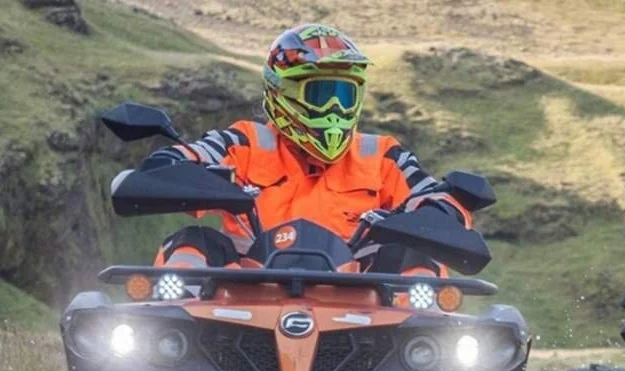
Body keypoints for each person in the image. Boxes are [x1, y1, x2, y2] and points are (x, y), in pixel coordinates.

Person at [118, 24, 470, 276]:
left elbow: (433, 193)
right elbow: (195, 156)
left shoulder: (380, 155)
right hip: (243, 291)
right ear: (283, 93)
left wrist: (441, 210)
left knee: (417, 259)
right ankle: (169, 335)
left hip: (362, 300)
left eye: (344, 94)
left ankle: (428, 349)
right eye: (321, 94)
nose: (334, 108)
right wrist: (172, 165)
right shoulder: (245, 142)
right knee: (192, 243)